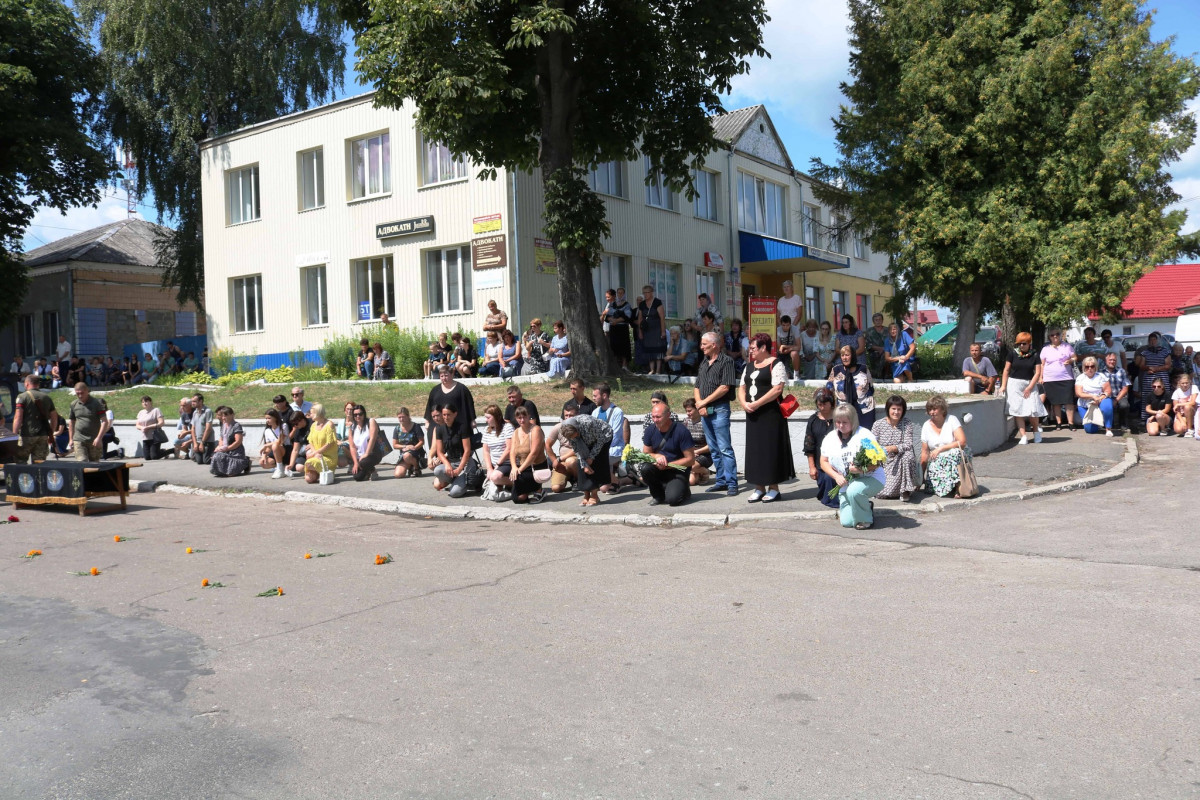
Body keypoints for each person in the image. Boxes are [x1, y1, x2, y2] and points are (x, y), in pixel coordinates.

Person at [739, 333, 795, 503]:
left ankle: (774, 488)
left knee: (771, 450)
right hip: (753, 415)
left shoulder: (776, 364)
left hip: (771, 415)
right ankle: (759, 488)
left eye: (753, 348)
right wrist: (744, 403)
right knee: (756, 451)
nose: (751, 351)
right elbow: (741, 387)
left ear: (763, 348)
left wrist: (757, 404)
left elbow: (777, 389)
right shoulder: (748, 366)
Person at [820, 403, 886, 530]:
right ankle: (866, 506)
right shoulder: (830, 438)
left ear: (853, 421)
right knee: (847, 522)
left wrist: (860, 469)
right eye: (838, 422)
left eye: (845, 422)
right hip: (845, 483)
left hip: (871, 478)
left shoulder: (864, 435)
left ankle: (865, 520)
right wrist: (836, 476)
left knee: (854, 491)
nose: (840, 425)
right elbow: (823, 461)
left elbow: (877, 462)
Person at [694, 331, 739, 497]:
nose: (701, 347)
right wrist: (700, 405)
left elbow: (724, 387)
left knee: (725, 447)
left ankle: (732, 482)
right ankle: (721, 481)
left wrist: (704, 402)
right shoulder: (704, 363)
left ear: (714, 345)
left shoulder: (726, 361)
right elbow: (697, 386)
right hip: (705, 411)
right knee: (713, 448)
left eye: (704, 344)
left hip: (719, 409)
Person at [641, 404, 696, 507]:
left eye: (658, 417)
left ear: (668, 415)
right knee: (645, 468)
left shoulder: (681, 431)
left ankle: (683, 490)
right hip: (658, 469)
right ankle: (658, 496)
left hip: (677, 471)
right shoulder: (650, 430)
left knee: (673, 500)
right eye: (653, 417)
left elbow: (690, 460)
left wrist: (668, 465)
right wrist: (656, 456)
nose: (655, 420)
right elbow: (646, 453)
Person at [920, 395, 971, 498]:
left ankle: (958, 487)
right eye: (929, 409)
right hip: (936, 460)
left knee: (954, 453)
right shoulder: (926, 425)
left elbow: (962, 442)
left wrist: (940, 448)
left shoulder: (951, 420)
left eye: (934, 409)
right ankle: (943, 487)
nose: (932, 412)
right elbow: (925, 452)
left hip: (953, 453)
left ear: (942, 409)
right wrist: (921, 477)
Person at [1000, 332, 1047, 444]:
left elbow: (1037, 372)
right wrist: (1003, 386)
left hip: (1030, 383)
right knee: (1018, 410)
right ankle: (1023, 436)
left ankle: (1036, 432)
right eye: (1019, 343)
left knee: (1032, 410)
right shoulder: (1012, 354)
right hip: (1015, 384)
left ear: (1029, 343)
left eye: (1024, 343)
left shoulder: (1035, 355)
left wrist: (1030, 387)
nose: (1021, 346)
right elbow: (1006, 370)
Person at [558, 412, 612, 506]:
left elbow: (600, 440)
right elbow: (576, 449)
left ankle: (594, 495)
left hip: (603, 437)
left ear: (577, 429)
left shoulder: (588, 423)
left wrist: (591, 457)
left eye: (576, 434)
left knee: (595, 462)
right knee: (582, 466)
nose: (574, 437)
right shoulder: (567, 431)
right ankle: (586, 494)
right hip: (586, 441)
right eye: (572, 437)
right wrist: (584, 464)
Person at [871, 395, 919, 501]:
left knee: (908, 456)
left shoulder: (907, 423)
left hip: (900, 457)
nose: (896, 412)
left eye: (899, 409)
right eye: (893, 409)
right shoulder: (878, 425)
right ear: (888, 409)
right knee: (884, 493)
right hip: (884, 459)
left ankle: (905, 491)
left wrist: (893, 448)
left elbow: (908, 444)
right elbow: (872, 445)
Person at [803, 388, 838, 509]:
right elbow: (809, 446)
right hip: (821, 463)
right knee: (825, 482)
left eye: (825, 404)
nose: (822, 407)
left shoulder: (840, 418)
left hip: (839, 462)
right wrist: (812, 467)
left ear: (832, 403)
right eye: (819, 405)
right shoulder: (813, 420)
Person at [431, 403, 476, 498]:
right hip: (451, 462)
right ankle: (457, 481)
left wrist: (459, 469)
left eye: (448, 414)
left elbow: (467, 450)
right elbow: (439, 451)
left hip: (464, 463)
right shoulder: (439, 429)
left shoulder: (462, 427)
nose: (446, 417)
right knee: (437, 470)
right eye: (444, 415)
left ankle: (465, 481)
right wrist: (447, 464)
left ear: (455, 414)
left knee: (454, 493)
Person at [12, 374, 58, 464]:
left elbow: (18, 417)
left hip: (27, 435)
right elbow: (54, 417)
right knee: (39, 464)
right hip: (43, 436)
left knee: (20, 461)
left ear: (27, 383)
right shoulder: (46, 397)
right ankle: (39, 478)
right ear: (38, 384)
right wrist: (51, 432)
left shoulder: (22, 397)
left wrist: (14, 435)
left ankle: (24, 478)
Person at [592, 382, 629, 494]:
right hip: (600, 449)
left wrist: (599, 449)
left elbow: (616, 436)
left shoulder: (617, 412)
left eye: (595, 396)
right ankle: (627, 479)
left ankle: (617, 482)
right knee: (604, 489)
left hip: (614, 449)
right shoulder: (595, 412)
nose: (593, 398)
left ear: (604, 395)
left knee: (596, 459)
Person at [828, 344, 876, 428]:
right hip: (843, 409)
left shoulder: (863, 369)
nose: (844, 358)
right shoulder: (836, 370)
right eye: (842, 355)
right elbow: (829, 389)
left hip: (864, 409)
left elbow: (871, 388)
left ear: (853, 356)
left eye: (847, 355)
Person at [1040, 328, 1077, 429]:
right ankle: (1059, 423)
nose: (1055, 336)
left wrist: (1070, 360)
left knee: (1068, 401)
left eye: (1057, 334)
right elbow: (1042, 365)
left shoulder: (1067, 346)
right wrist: (1041, 377)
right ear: (1049, 337)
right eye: (1052, 335)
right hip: (1050, 379)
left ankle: (1071, 423)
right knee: (1055, 402)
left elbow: (1075, 357)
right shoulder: (1045, 349)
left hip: (1066, 377)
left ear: (1060, 335)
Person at [508, 405, 547, 503]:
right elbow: (512, 452)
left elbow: (533, 453)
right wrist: (514, 467)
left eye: (524, 417)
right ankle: (528, 490)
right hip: (522, 465)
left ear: (528, 416)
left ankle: (539, 490)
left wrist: (519, 470)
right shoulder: (516, 432)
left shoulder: (535, 430)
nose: (522, 420)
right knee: (517, 499)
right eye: (519, 418)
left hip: (535, 465)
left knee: (519, 483)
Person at [424, 364, 477, 431]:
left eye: (446, 375)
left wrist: (472, 420)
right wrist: (427, 421)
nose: (444, 378)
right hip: (439, 425)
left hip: (458, 425)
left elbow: (469, 404)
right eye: (441, 376)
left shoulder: (461, 389)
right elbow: (429, 406)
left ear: (452, 375)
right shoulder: (435, 390)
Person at [68, 383, 110, 462]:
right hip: (79, 439)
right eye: (77, 393)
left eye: (82, 393)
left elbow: (104, 421)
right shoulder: (74, 404)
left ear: (87, 391)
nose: (80, 396)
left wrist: (99, 438)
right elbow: (71, 422)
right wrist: (71, 439)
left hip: (93, 439)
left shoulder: (97, 403)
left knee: (94, 464)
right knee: (82, 461)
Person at [545, 402, 580, 494]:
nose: (568, 418)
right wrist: (554, 460)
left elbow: (578, 448)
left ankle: (577, 480)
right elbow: (547, 444)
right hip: (562, 463)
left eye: (571, 415)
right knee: (556, 488)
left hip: (576, 460)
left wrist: (560, 459)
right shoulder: (558, 427)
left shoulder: (580, 428)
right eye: (566, 415)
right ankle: (567, 478)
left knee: (570, 461)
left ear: (577, 415)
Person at [346, 404, 387, 481]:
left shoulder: (371, 422)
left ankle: (373, 470)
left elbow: (372, 439)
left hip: (373, 453)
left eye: (360, 414)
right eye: (355, 415)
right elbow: (352, 446)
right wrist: (355, 462)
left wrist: (366, 454)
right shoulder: (352, 427)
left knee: (363, 463)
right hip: (360, 457)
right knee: (357, 477)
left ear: (364, 414)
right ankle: (367, 471)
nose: (358, 416)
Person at [1075, 356, 1114, 436]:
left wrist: (1099, 398)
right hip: (1085, 404)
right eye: (1087, 366)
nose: (1090, 368)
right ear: (1083, 367)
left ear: (1095, 367)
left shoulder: (1101, 376)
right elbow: (1079, 393)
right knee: (1090, 430)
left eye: (1092, 366)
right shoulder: (1080, 378)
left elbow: (1108, 390)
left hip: (1100, 400)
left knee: (1107, 406)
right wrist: (1093, 397)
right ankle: (1097, 424)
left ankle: (1108, 428)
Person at [481, 405, 516, 494]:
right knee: (492, 476)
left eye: (488, 418)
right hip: (494, 464)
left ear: (496, 417)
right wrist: (489, 468)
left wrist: (498, 464)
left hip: (506, 462)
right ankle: (501, 484)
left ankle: (515, 483)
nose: (486, 420)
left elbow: (509, 448)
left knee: (495, 477)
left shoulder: (507, 427)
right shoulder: (486, 430)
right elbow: (486, 451)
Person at [302, 404, 338, 484]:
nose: (310, 415)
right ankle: (318, 473)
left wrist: (316, 453)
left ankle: (325, 471)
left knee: (309, 463)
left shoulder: (329, 425)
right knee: (308, 479)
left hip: (328, 456)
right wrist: (315, 453)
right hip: (317, 455)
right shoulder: (313, 425)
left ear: (317, 413)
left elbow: (330, 443)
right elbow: (310, 441)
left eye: (311, 413)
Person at [209, 406, 250, 477]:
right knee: (216, 456)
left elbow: (238, 441)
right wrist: (220, 447)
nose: (223, 418)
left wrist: (227, 448)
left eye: (226, 415)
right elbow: (221, 438)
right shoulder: (223, 425)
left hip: (235, 452)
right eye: (222, 416)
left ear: (232, 415)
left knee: (231, 473)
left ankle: (246, 462)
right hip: (226, 450)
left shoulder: (236, 425)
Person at [636, 285, 667, 374]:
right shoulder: (642, 304)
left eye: (647, 292)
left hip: (657, 328)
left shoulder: (657, 302)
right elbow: (640, 318)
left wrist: (663, 331)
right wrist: (640, 331)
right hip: (647, 329)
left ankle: (658, 370)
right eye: (644, 293)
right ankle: (652, 369)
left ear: (651, 293)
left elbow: (662, 317)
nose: (645, 295)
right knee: (648, 349)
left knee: (658, 349)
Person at [1100, 351, 1132, 433]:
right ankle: (1106, 423)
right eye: (1110, 360)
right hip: (1106, 396)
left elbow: (1125, 388)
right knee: (1105, 405)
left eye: (1114, 360)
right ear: (1105, 360)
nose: (1112, 362)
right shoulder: (1100, 373)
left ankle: (1123, 424)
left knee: (1124, 405)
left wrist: (1116, 400)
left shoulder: (1121, 371)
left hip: (1119, 396)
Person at [681, 398, 711, 486]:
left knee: (691, 466)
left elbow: (711, 445)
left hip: (705, 454)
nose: (687, 413)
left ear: (697, 409)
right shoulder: (686, 422)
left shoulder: (705, 422)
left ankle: (705, 471)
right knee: (691, 482)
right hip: (691, 453)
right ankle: (697, 473)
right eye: (686, 411)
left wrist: (697, 451)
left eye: (690, 411)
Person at [601, 289, 633, 368]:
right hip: (614, 329)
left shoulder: (627, 304)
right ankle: (616, 365)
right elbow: (608, 316)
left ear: (624, 294)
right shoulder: (612, 304)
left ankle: (624, 365)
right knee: (614, 347)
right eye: (618, 293)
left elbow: (628, 316)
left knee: (624, 346)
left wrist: (617, 320)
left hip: (622, 328)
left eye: (621, 293)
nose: (620, 294)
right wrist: (612, 320)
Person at [1135, 331, 1173, 398]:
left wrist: (1156, 369)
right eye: (1151, 340)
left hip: (1162, 377)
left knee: (1164, 397)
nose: (1152, 342)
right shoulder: (1144, 352)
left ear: (1158, 340)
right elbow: (1141, 366)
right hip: (1149, 379)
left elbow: (1168, 365)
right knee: (1147, 398)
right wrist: (1149, 368)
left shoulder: (1166, 351)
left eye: (1154, 339)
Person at [392, 407, 425, 478]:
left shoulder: (416, 427)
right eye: (399, 417)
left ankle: (416, 467)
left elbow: (422, 442)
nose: (401, 419)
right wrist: (405, 447)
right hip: (404, 454)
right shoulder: (397, 429)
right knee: (398, 475)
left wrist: (414, 447)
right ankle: (410, 467)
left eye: (403, 417)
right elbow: (395, 445)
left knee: (407, 455)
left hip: (416, 452)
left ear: (408, 416)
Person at [135, 395, 166, 460]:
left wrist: (148, 427)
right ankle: (161, 451)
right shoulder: (141, 412)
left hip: (155, 437)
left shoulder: (156, 410)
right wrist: (142, 428)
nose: (144, 403)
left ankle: (170, 451)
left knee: (154, 457)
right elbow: (137, 425)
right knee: (147, 457)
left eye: (146, 401)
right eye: (143, 402)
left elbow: (161, 423)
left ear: (150, 402)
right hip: (145, 437)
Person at [283, 409, 309, 476]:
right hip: (303, 453)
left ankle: (316, 470)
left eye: (296, 423)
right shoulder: (297, 430)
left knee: (309, 451)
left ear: (302, 420)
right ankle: (312, 470)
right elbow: (295, 449)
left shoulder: (312, 425)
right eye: (293, 424)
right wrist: (291, 465)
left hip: (313, 451)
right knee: (299, 468)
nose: (295, 426)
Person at [865, 313, 889, 378]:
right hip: (874, 352)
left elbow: (891, 342)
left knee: (886, 356)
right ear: (873, 321)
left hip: (886, 351)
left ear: (882, 320)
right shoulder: (869, 331)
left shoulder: (887, 330)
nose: (878, 321)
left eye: (879, 319)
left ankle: (884, 375)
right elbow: (868, 344)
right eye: (876, 320)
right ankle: (878, 374)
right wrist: (879, 349)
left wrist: (884, 349)